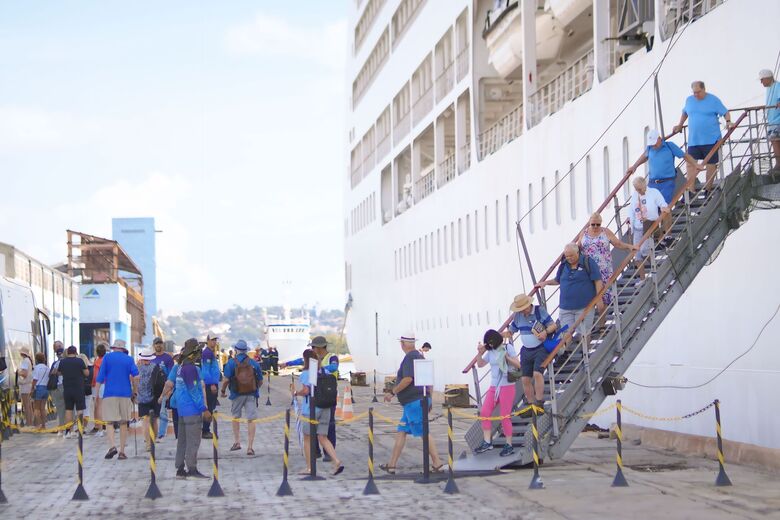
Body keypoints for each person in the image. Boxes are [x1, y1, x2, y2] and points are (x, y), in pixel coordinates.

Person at [380, 331, 444, 475]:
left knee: (423, 432)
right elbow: (429, 379)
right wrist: (429, 398)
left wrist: (392, 392)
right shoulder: (420, 357)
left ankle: (437, 463)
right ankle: (392, 465)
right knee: (402, 431)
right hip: (418, 401)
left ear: (403, 344)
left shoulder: (409, 358)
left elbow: (408, 379)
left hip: (414, 403)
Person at [159, 339, 210, 479]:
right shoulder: (191, 369)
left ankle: (180, 469)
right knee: (193, 441)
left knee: (182, 441)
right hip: (192, 411)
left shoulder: (180, 368)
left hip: (181, 410)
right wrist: (204, 408)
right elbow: (193, 391)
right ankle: (192, 469)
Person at [536, 243, 604, 344]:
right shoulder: (564, 264)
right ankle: (566, 352)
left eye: (571, 255)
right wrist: (545, 283)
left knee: (584, 333)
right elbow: (557, 280)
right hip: (565, 307)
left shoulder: (587, 262)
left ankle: (585, 352)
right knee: (565, 333)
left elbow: (597, 280)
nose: (569, 258)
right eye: (567, 256)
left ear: (577, 252)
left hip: (584, 306)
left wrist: (599, 298)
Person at [672, 81, 733, 193]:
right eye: (694, 92)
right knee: (690, 165)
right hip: (694, 140)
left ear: (704, 89)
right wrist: (680, 125)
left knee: (710, 165)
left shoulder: (713, 100)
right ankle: (691, 192)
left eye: (698, 92)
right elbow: (685, 113)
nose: (696, 94)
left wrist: (728, 122)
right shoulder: (689, 100)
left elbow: (725, 112)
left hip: (711, 139)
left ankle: (708, 190)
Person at [505, 294, 558, 417]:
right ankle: (531, 404)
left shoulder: (539, 311)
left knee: (537, 374)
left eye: (524, 308)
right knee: (525, 379)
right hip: (526, 350)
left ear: (529, 305)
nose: (523, 311)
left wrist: (545, 332)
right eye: (520, 309)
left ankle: (539, 403)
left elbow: (553, 325)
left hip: (540, 348)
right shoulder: (518, 316)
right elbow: (511, 331)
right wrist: (499, 336)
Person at [293, 349, 344, 476]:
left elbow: (306, 391)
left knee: (307, 438)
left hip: (311, 409)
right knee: (323, 437)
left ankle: (309, 467)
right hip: (326, 407)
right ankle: (336, 461)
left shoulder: (306, 373)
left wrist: (296, 392)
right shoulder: (325, 371)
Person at [577, 212, 636, 312]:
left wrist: (629, 246)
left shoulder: (605, 232)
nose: (595, 226)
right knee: (590, 295)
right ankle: (591, 318)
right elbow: (578, 248)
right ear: (589, 223)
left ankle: (602, 321)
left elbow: (617, 244)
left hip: (604, 269)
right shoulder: (584, 233)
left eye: (598, 224)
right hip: (588, 269)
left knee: (603, 296)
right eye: (593, 224)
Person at [626, 129, 705, 203]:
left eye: (654, 143)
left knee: (663, 204)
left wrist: (696, 165)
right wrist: (634, 166)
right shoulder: (650, 148)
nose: (653, 146)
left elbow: (684, 156)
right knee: (651, 204)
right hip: (652, 183)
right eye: (651, 144)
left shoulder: (670, 146)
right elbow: (644, 156)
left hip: (667, 183)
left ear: (659, 138)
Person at [473, 329, 518, 457]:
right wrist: (479, 353)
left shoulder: (507, 347)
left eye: (491, 342)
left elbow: (518, 364)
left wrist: (507, 358)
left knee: (504, 416)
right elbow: (480, 364)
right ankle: (487, 442)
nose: (490, 345)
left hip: (507, 385)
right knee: (484, 412)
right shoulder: (490, 351)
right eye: (488, 343)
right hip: (494, 386)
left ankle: (509, 444)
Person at [95, 340, 139, 460]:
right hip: (125, 394)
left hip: (109, 393)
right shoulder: (129, 359)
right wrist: (135, 391)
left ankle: (112, 446)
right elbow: (136, 376)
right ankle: (122, 451)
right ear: (124, 349)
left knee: (109, 422)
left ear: (113, 348)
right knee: (123, 422)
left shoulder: (107, 358)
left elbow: (100, 377)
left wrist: (96, 395)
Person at [220, 339, 263, 456]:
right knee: (251, 419)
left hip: (236, 394)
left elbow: (226, 380)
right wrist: (254, 388)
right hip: (251, 394)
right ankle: (250, 447)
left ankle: (237, 442)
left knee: (235, 417)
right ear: (246, 350)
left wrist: (223, 391)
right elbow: (260, 380)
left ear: (236, 350)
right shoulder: (253, 363)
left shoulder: (231, 363)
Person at [629, 176, 670, 281]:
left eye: (639, 189)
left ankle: (657, 270)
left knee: (644, 250)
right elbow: (631, 210)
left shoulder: (654, 192)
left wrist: (663, 208)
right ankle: (642, 280)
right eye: (636, 189)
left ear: (645, 185)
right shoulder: (635, 195)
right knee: (637, 255)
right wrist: (630, 219)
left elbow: (663, 204)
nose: (638, 191)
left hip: (649, 224)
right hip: (637, 227)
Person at [310, 336, 339, 459]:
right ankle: (315, 450)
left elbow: (334, 367)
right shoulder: (313, 358)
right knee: (313, 423)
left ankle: (329, 452)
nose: (312, 349)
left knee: (330, 424)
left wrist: (319, 368)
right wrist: (286, 364)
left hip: (328, 394)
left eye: (313, 347)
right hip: (316, 394)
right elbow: (301, 361)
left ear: (319, 347)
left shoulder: (332, 357)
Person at [59, 346, 89, 438]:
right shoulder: (79, 361)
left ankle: (68, 432)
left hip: (67, 389)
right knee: (80, 410)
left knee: (68, 410)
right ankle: (80, 431)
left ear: (67, 352)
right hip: (78, 389)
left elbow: (59, 373)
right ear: (76, 352)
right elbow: (87, 373)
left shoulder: (62, 362)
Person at [136, 348, 162, 451]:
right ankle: (153, 441)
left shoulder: (137, 368)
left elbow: (134, 382)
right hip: (155, 397)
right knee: (154, 420)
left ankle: (148, 444)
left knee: (145, 421)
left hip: (142, 398)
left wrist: (135, 394)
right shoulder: (156, 367)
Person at [150, 337, 173, 440]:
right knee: (153, 413)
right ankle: (153, 433)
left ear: (162, 345)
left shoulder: (168, 358)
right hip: (152, 390)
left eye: (160, 343)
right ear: (153, 345)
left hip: (164, 388)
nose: (158, 345)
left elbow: (171, 375)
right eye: (156, 343)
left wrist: (169, 390)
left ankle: (161, 433)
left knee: (163, 411)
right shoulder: (150, 358)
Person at [759, 69, 780, 166]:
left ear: (768, 78)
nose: (761, 82)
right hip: (772, 121)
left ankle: (778, 165)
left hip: (777, 120)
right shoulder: (769, 89)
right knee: (774, 141)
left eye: (762, 79)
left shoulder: (777, 86)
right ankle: (778, 164)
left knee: (775, 140)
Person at [200, 345, 221, 439]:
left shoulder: (210, 352)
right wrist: (212, 383)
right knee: (209, 407)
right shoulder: (207, 353)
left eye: (215, 340)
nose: (214, 342)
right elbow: (205, 370)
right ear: (208, 341)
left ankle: (205, 429)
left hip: (212, 383)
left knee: (211, 406)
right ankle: (205, 430)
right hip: (210, 384)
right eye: (212, 340)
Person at [49, 342, 67, 433]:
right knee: (68, 408)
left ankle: (61, 427)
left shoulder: (56, 363)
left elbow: (52, 373)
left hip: (59, 386)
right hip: (67, 386)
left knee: (60, 408)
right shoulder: (68, 361)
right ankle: (68, 427)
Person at [31, 352, 50, 430]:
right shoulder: (47, 368)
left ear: (36, 359)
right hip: (46, 389)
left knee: (36, 408)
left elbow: (35, 379)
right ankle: (44, 426)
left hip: (39, 388)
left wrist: (32, 388)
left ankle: (38, 425)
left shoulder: (36, 368)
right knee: (42, 408)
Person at [91, 342, 107, 435]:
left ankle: (100, 428)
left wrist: (93, 384)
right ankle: (105, 426)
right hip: (106, 384)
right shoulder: (107, 360)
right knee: (104, 406)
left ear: (97, 352)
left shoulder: (97, 362)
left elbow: (96, 376)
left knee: (98, 407)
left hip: (99, 385)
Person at [16, 347, 34, 427]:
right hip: (28, 385)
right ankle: (30, 422)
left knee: (26, 406)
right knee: (29, 405)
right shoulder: (28, 361)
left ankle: (28, 423)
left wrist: (17, 372)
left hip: (24, 385)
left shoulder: (24, 361)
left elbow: (24, 374)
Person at [78, 353, 94, 429]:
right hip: (88, 389)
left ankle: (80, 427)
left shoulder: (78, 367)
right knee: (87, 409)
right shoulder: (91, 368)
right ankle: (84, 427)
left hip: (79, 389)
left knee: (79, 409)